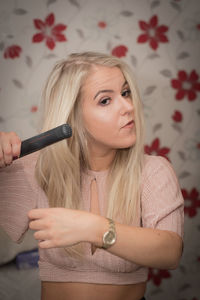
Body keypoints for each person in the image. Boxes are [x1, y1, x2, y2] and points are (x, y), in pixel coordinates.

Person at [0, 51, 184, 300]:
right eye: (105, 101)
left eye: (126, 93)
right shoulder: (35, 169)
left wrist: (95, 228)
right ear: (72, 115)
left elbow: (170, 253)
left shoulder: (153, 171)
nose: (128, 107)